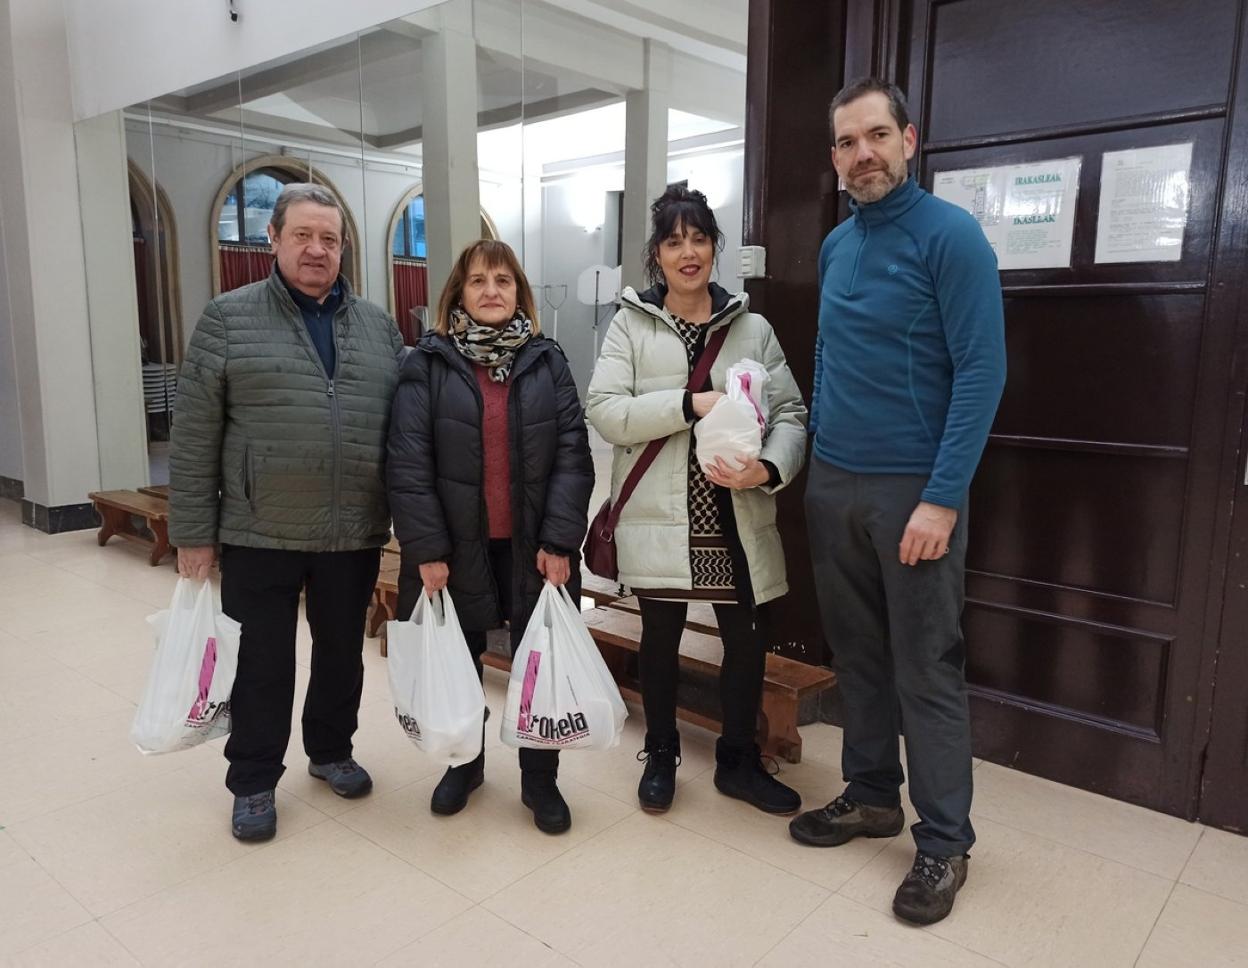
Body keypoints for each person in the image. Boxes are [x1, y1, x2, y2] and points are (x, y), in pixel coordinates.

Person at [788, 77, 1007, 926]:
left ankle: (945, 841)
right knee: (861, 657)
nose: (862, 154)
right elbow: (829, 358)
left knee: (928, 664)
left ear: (910, 140)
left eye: (876, 135)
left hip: (915, 492)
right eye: (846, 142)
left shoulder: (951, 238)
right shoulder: (840, 244)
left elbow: (983, 372)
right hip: (835, 485)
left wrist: (943, 498)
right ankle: (873, 795)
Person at [169, 183, 404, 842]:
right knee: (263, 663)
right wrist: (193, 532)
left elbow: (401, 433)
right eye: (302, 235)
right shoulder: (228, 318)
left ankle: (330, 751)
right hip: (258, 528)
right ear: (272, 239)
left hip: (351, 530)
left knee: (341, 658)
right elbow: (192, 437)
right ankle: (252, 780)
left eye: (328, 238)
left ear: (342, 246)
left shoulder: (378, 328)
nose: (316, 249)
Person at [586, 186, 808, 816]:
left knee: (746, 638)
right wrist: (689, 405)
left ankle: (738, 760)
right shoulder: (630, 324)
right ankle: (660, 754)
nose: (689, 252)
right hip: (661, 514)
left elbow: (790, 412)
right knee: (661, 636)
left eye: (700, 238)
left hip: (733, 513)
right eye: (674, 241)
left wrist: (767, 467)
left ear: (715, 246)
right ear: (656, 255)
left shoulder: (751, 327)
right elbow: (604, 411)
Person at [387, 239, 593, 834]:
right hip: (455, 547)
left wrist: (559, 541)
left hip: (532, 546)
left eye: (502, 280)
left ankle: (540, 780)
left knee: (539, 662)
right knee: (461, 656)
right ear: (459, 293)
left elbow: (574, 458)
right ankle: (464, 763)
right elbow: (407, 463)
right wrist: (425, 549)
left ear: (518, 291)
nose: (491, 291)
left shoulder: (547, 360)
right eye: (478, 281)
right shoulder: (426, 364)